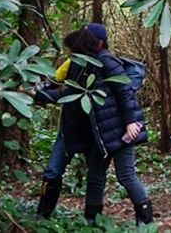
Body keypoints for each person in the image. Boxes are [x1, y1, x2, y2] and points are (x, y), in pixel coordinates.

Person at [36, 23, 154, 226]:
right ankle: (92, 221)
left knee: (126, 175)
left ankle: (146, 223)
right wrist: (34, 93)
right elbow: (68, 95)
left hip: (118, 129)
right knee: (95, 177)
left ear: (97, 43)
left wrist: (130, 122)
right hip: (98, 133)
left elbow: (124, 91)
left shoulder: (106, 61)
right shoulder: (78, 64)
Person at [36, 28, 84, 218]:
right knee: (52, 171)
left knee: (97, 176)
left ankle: (92, 218)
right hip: (70, 126)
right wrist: (31, 89)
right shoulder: (69, 63)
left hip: (95, 129)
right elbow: (50, 84)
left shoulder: (101, 65)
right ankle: (43, 215)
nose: (70, 52)